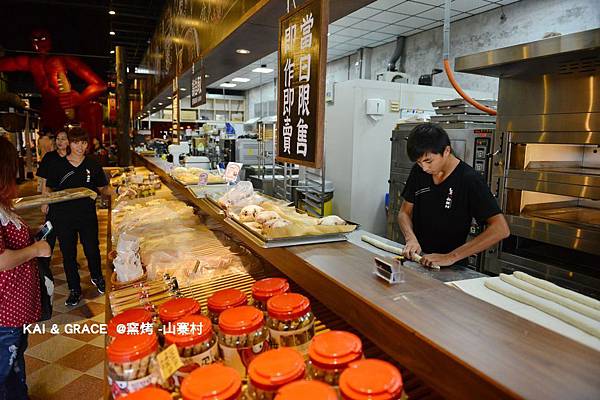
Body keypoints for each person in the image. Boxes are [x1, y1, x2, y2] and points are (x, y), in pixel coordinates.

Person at [397, 123, 510, 268]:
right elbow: (404, 213)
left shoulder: (469, 179)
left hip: (450, 266)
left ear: (446, 151)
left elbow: (501, 229)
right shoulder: (418, 172)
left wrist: (451, 257)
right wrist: (410, 238)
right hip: (418, 260)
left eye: (428, 161)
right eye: (419, 162)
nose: (424, 168)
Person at [0, 136, 51, 398]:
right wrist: (35, 249)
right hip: (4, 314)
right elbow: (1, 260)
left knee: (15, 364)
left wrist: (29, 234)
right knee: (4, 370)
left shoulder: (3, 206)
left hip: (13, 311)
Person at [46, 127, 111, 306]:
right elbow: (50, 188)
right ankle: (74, 289)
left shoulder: (93, 164)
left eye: (83, 143)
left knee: (92, 249)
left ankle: (97, 277)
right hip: (63, 217)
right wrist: (47, 203)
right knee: (68, 254)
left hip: (87, 215)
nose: (80, 147)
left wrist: (120, 190)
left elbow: (103, 188)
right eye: (75, 142)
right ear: (69, 143)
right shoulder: (57, 165)